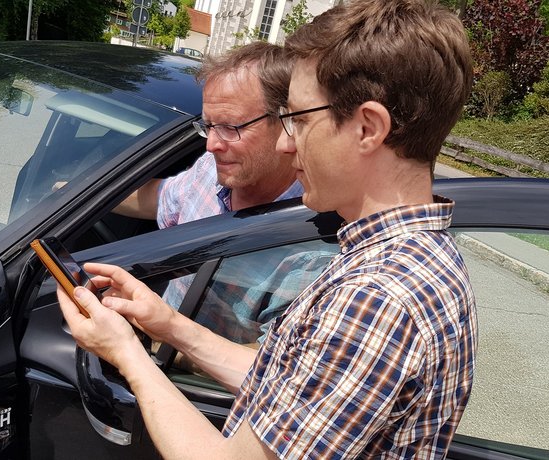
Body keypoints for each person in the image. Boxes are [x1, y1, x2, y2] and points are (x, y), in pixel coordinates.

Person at [57, 0, 478, 458]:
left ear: (367, 128)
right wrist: (169, 325)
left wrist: (126, 354)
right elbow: (286, 384)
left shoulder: (377, 298)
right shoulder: (415, 259)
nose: (284, 141)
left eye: (298, 120)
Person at [114, 41, 302, 227]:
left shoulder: (315, 221)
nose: (210, 146)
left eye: (230, 127)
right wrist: (87, 181)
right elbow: (156, 199)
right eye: (209, 125)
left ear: (286, 122)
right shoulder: (208, 170)